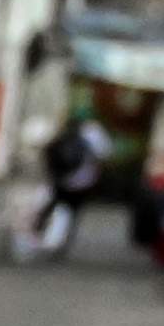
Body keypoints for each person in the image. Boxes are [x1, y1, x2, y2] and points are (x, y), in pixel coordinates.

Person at [31, 111, 112, 262]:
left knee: (54, 208)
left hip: (62, 181)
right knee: (69, 212)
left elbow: (48, 156)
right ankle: (57, 242)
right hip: (81, 184)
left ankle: (43, 237)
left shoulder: (62, 139)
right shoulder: (88, 140)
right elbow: (101, 158)